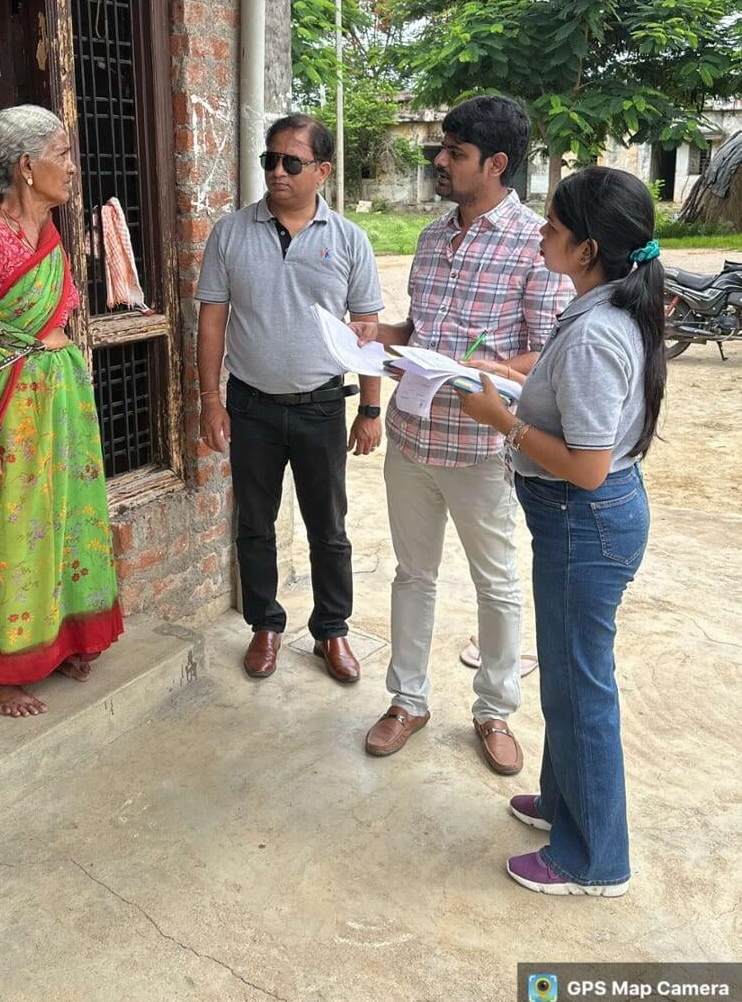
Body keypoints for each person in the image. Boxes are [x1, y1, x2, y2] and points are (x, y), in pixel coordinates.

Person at [456, 165, 664, 895]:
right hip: (582, 524)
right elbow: (577, 410)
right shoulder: (601, 309)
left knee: (580, 693)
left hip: (586, 522)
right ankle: (563, 804)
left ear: (587, 249)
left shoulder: (596, 333)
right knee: (569, 683)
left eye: (552, 226)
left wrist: (503, 421)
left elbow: (587, 466)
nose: (540, 234)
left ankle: (594, 861)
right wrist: (517, 384)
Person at [356, 95, 572, 769]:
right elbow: (420, 332)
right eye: (442, 149)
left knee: (496, 583)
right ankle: (407, 701)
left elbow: (550, 350)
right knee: (412, 575)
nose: (441, 162)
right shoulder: (430, 238)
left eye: (455, 152)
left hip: (482, 447)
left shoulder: (535, 244)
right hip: (413, 436)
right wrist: (375, 335)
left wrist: (497, 369)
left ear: (496, 164)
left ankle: (495, 710)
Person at [0, 106, 123, 719]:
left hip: (61, 400)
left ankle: (64, 638)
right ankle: (4, 670)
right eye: (62, 154)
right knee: (15, 525)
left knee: (68, 519)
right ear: (26, 166)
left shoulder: (49, 236)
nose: (72, 167)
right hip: (11, 406)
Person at [196, 113, 384, 683]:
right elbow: (211, 322)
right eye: (270, 160)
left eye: (292, 162)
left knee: (328, 526)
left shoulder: (348, 239)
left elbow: (367, 331)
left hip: (321, 406)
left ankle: (332, 630)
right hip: (250, 407)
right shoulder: (231, 233)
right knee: (254, 523)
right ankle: (265, 624)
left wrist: (370, 409)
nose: (277, 171)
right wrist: (209, 399)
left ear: (322, 171)